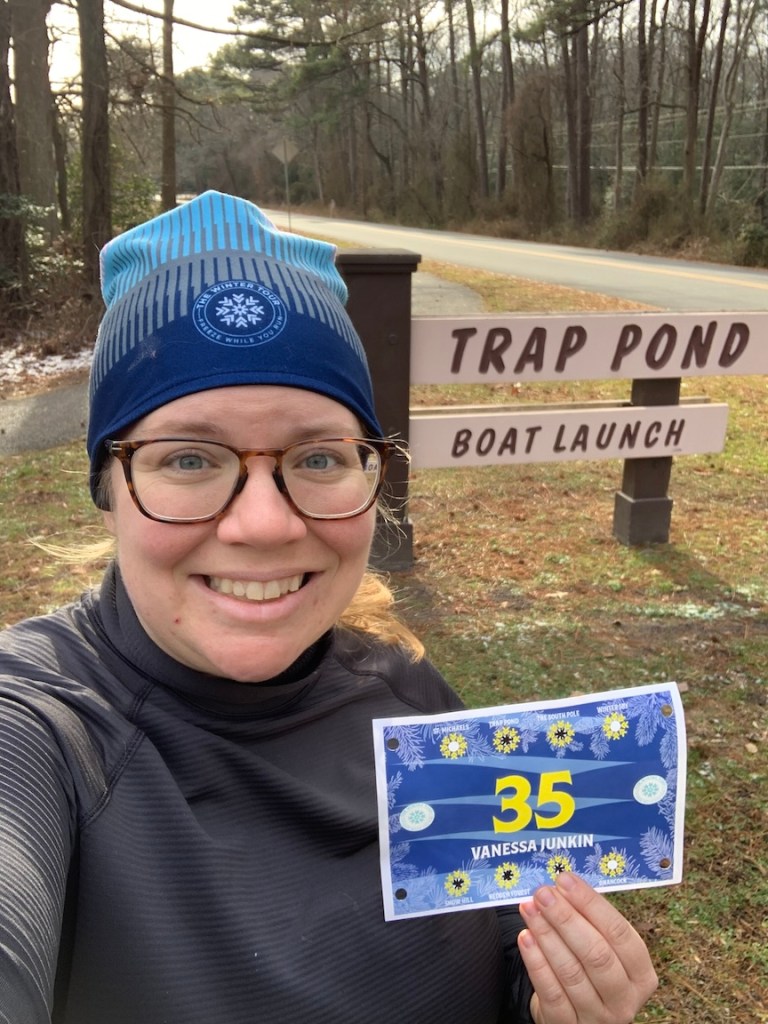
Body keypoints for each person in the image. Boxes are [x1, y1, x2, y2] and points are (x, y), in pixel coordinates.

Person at [0, 191, 658, 1024]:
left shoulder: (406, 689)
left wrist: (550, 1002)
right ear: (109, 491)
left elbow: (502, 940)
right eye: (190, 459)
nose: (266, 524)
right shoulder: (43, 727)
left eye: (317, 457)